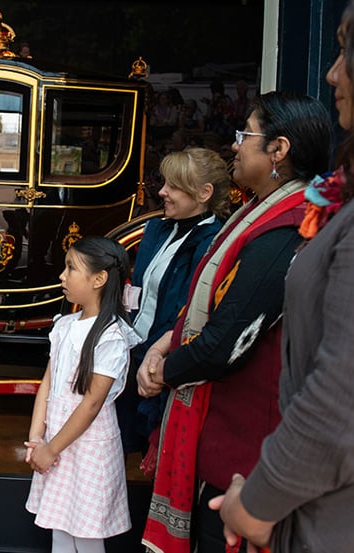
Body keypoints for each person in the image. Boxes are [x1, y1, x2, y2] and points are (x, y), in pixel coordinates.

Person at [135, 91, 332, 553]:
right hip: (227, 442)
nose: (235, 145)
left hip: (244, 460)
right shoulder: (260, 213)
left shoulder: (287, 229)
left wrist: (162, 370)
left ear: (278, 150)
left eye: (246, 134)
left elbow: (227, 341)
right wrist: (166, 342)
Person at [209, 4, 354, 552]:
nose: (332, 72)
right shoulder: (328, 201)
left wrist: (258, 501)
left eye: (346, 51)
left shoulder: (297, 219)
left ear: (279, 151)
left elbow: (337, 406)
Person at [119, 148, 232, 474]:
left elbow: (194, 313)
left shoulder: (214, 242)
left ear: (203, 193)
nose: (162, 192)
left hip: (165, 368)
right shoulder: (156, 229)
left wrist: (158, 359)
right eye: (164, 183)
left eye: (173, 186)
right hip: (133, 358)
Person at [24, 236, 140, 552]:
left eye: (71, 268)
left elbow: (91, 404)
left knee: (87, 535)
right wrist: (38, 438)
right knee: (60, 526)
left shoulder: (111, 336)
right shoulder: (64, 325)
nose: (63, 275)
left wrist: (51, 448)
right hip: (55, 444)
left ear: (99, 279)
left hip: (87, 449)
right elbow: (47, 384)